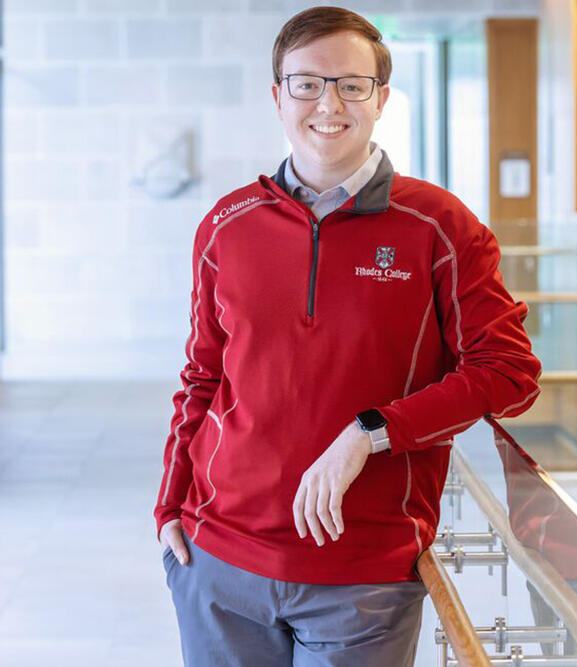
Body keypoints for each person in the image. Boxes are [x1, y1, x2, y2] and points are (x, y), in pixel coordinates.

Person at [152, 6, 542, 666]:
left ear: (381, 98)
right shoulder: (227, 225)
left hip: (364, 576)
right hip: (219, 562)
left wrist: (371, 431)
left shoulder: (441, 228)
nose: (327, 103)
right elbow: (202, 376)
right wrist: (169, 505)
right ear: (278, 96)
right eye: (306, 83)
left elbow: (509, 373)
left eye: (350, 84)